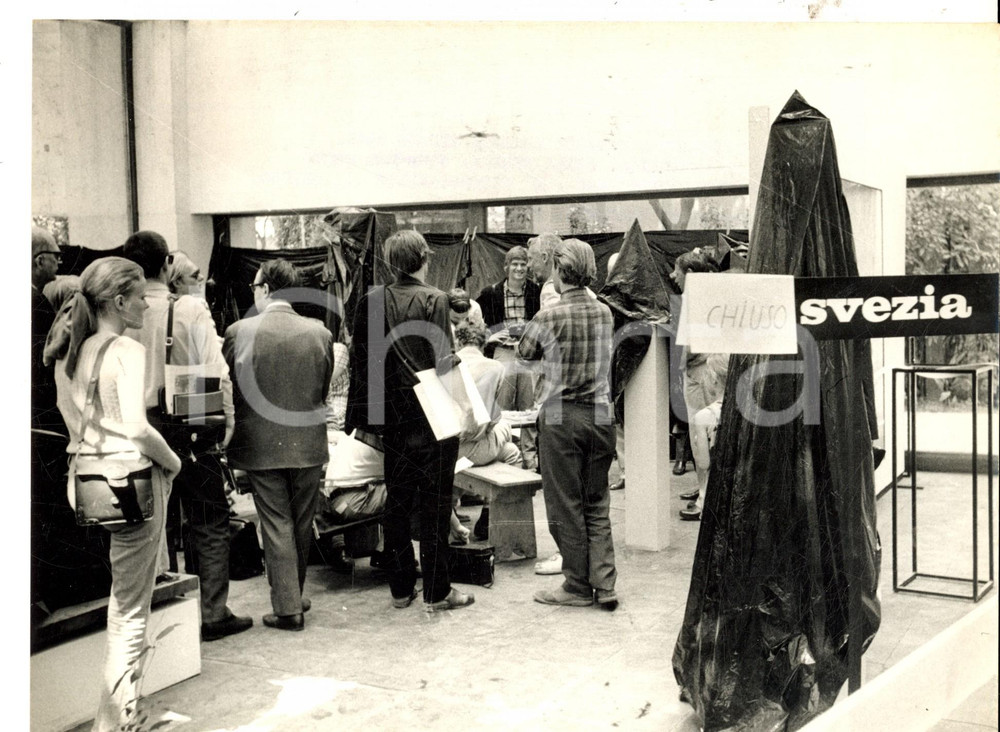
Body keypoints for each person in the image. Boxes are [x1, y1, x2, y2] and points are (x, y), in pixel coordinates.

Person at [43, 256, 183, 732]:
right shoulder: (124, 349)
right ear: (120, 302)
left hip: (86, 482)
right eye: (141, 296)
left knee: (124, 602)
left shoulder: (72, 349)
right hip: (131, 484)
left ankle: (116, 715)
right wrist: (173, 462)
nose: (147, 303)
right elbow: (136, 428)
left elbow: (71, 414)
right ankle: (118, 721)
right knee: (130, 610)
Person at [122, 231, 252, 642]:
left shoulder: (121, 310)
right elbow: (215, 369)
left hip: (137, 422)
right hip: (189, 412)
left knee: (150, 524)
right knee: (209, 518)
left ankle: (161, 617)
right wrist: (227, 416)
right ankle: (213, 613)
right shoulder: (189, 307)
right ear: (166, 266)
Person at [346, 229, 475, 613]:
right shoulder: (434, 298)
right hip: (433, 416)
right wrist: (465, 408)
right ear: (423, 258)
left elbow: (363, 361)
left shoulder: (371, 299)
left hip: (393, 420)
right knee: (435, 507)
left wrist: (372, 420)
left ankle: (401, 589)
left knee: (397, 504)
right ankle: (438, 591)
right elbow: (441, 359)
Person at [223, 259, 334, 631]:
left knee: (275, 523)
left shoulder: (238, 331)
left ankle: (288, 608)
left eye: (255, 288)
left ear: (266, 288)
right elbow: (322, 389)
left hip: (260, 444)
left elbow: (231, 391)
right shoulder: (319, 333)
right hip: (308, 442)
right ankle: (293, 594)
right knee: (301, 523)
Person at [517, 238, 619, 610]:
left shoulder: (549, 315)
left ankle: (576, 585)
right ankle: (605, 584)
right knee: (596, 500)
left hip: (561, 413)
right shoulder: (606, 313)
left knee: (564, 505)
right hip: (601, 412)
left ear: (560, 271)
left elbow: (524, 353)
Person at [668, 248, 727, 521]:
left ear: (689, 274)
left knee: (701, 436)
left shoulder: (695, 301)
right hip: (705, 371)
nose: (673, 276)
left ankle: (706, 500)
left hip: (701, 373)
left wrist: (680, 363)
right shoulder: (709, 296)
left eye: (677, 271)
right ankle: (706, 491)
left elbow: (690, 345)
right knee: (703, 436)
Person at [475, 246, 541, 470]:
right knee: (503, 405)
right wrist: (491, 336)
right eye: (515, 264)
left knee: (529, 405)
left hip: (529, 354)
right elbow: (474, 322)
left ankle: (530, 460)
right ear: (506, 267)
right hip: (503, 353)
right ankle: (508, 456)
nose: (519, 268)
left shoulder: (536, 291)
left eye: (523, 264)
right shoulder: (490, 293)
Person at [606, 252, 626, 492]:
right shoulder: (606, 300)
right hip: (613, 365)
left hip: (626, 366)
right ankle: (625, 471)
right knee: (617, 422)